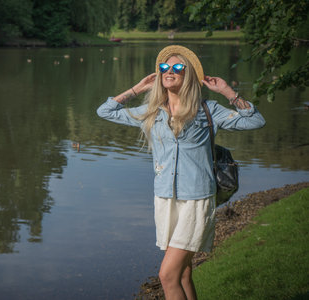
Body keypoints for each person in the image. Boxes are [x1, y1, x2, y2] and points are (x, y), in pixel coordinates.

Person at [96, 45, 265, 300]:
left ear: (188, 76)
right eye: (165, 67)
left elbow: (255, 120)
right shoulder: (152, 112)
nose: (169, 71)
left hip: (196, 200)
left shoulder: (207, 110)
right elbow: (105, 111)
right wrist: (138, 89)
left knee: (167, 276)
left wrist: (227, 92)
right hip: (165, 198)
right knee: (183, 274)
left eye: (177, 67)